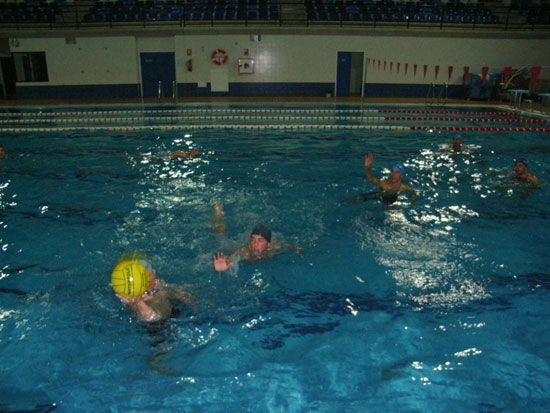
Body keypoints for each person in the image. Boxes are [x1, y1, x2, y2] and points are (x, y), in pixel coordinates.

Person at [211, 203, 303, 272]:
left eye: (260, 241)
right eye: (253, 240)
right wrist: (225, 264)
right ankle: (218, 216)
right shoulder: (245, 252)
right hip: (237, 245)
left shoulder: (274, 249)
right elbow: (233, 258)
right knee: (220, 239)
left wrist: (297, 249)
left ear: (268, 245)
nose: (255, 244)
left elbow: (286, 245)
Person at [116, 261, 196, 323]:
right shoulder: (137, 299)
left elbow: (185, 296)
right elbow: (152, 319)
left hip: (175, 312)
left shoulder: (160, 286)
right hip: (158, 326)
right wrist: (139, 303)